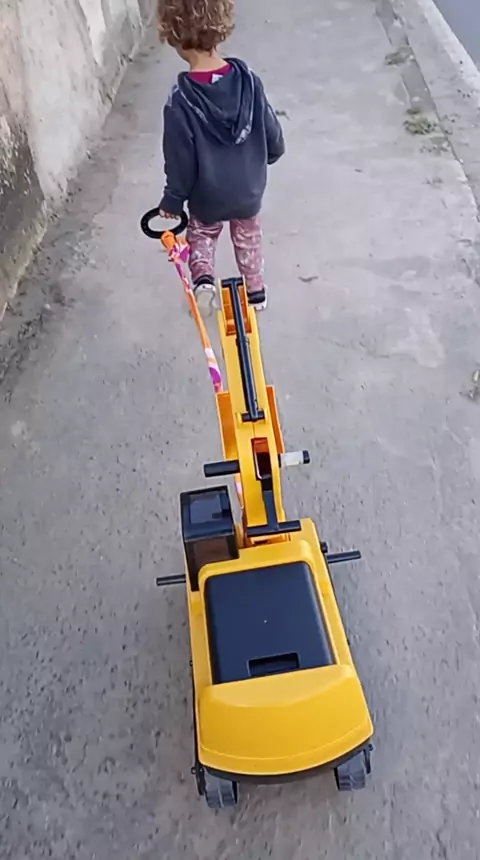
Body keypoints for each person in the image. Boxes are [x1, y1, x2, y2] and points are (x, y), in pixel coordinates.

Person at [156, 0, 285, 311]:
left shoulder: (180, 100)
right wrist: (272, 151)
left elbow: (179, 160)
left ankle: (203, 280)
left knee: (202, 232)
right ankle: (255, 291)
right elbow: (271, 129)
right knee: (248, 235)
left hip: (208, 194)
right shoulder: (249, 80)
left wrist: (173, 200)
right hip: (248, 188)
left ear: (174, 34)